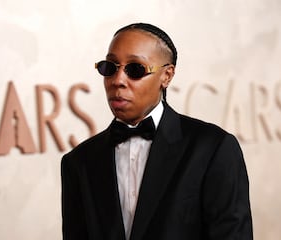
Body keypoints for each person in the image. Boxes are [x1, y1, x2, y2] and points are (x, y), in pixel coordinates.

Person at [61, 23, 253, 240]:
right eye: (110, 67)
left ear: (167, 75)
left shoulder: (213, 148)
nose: (118, 81)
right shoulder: (79, 162)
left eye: (135, 69)